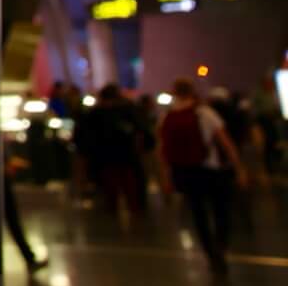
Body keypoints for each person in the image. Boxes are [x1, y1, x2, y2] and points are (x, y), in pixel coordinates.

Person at [158, 78, 246, 273]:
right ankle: (220, 246)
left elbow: (163, 151)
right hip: (211, 169)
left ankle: (210, 252)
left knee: (198, 213)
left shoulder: (168, 117)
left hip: (186, 172)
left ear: (174, 92)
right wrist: (239, 168)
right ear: (192, 91)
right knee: (220, 209)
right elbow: (225, 142)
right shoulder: (204, 112)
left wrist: (165, 178)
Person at [77, 84, 148, 220]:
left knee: (114, 188)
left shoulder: (97, 114)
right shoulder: (125, 111)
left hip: (109, 157)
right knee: (125, 187)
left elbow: (85, 136)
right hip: (122, 156)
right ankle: (132, 212)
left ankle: (120, 212)